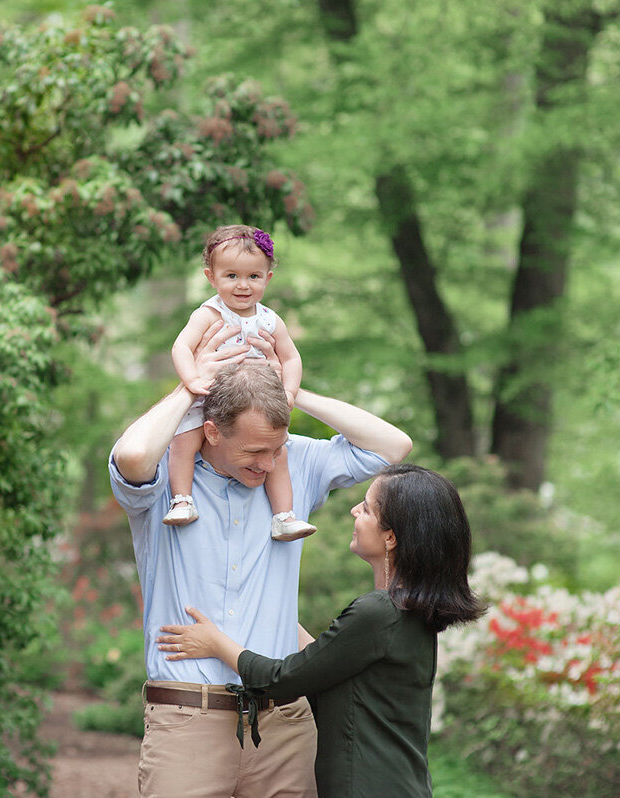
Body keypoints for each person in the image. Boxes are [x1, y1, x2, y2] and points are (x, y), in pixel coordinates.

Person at [109, 326, 412, 798]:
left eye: (277, 448)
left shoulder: (290, 464)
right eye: (254, 451)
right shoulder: (169, 477)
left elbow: (393, 448)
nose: (269, 465)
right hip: (188, 721)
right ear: (211, 431)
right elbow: (130, 454)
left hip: (285, 726)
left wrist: (292, 391)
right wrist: (190, 387)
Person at [156, 464, 487, 798]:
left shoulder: (378, 612)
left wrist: (215, 643)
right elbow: (328, 669)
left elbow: (281, 679)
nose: (354, 510)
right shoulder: (409, 613)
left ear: (391, 537)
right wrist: (266, 607)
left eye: (367, 508)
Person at [163, 224, 315, 542]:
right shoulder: (208, 314)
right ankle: (182, 499)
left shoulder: (271, 319)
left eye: (253, 277)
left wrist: (289, 390)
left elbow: (291, 358)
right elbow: (181, 347)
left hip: (256, 402)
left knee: (277, 453)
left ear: (267, 278)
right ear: (211, 277)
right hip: (209, 396)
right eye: (231, 276)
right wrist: (191, 380)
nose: (243, 286)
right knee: (184, 441)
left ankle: (283, 515)